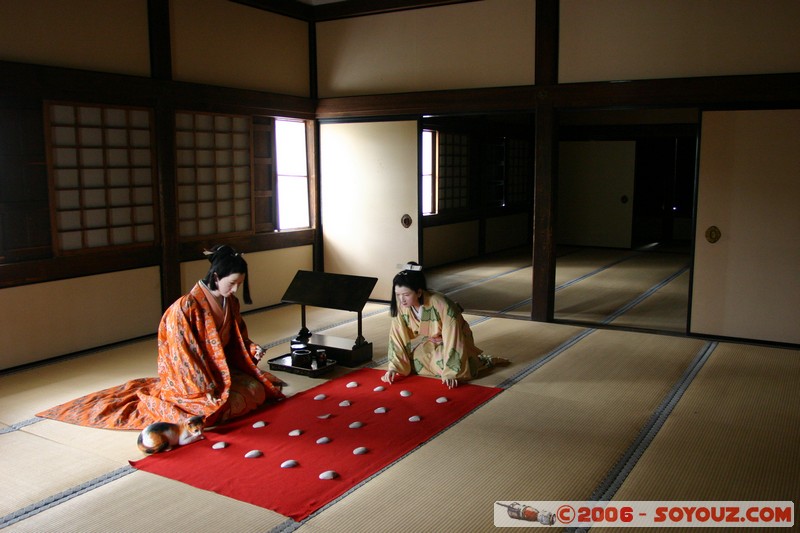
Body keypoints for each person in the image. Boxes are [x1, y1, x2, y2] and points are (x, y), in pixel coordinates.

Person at [38, 244, 285, 430]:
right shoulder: (185, 308)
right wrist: (204, 387)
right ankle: (202, 397)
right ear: (216, 277)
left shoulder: (230, 303)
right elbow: (182, 356)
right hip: (189, 379)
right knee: (214, 410)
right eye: (231, 284)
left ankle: (217, 392)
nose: (235, 290)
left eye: (239, 284)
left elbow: (236, 337)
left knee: (257, 390)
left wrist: (252, 348)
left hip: (218, 371)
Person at [381, 262, 508, 389]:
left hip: (456, 340)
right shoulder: (403, 307)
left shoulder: (441, 303)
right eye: (398, 295)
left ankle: (475, 361)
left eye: (406, 295)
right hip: (432, 342)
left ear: (419, 292)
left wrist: (451, 372)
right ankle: (459, 363)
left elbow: (454, 336)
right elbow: (396, 337)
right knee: (412, 362)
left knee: (443, 364)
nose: (401, 299)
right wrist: (394, 367)